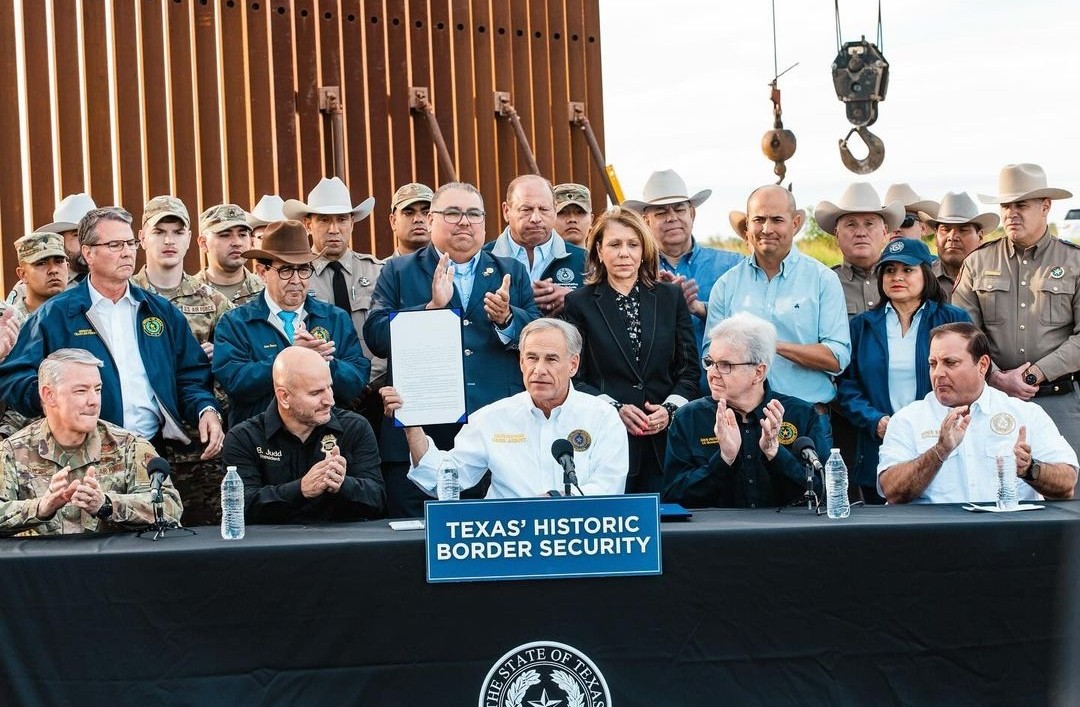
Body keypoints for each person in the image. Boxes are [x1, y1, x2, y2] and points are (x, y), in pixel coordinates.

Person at [363, 181, 540, 516]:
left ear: (485, 223)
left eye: (473, 214)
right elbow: (375, 336)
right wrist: (429, 310)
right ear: (431, 220)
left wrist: (506, 319)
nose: (464, 222)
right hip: (419, 433)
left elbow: (537, 338)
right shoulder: (398, 270)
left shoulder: (510, 271)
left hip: (495, 436)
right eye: (453, 213)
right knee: (413, 547)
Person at [0, 207, 224, 457]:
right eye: (115, 245)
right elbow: (15, 376)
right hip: (78, 454)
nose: (127, 252)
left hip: (151, 450)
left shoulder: (159, 311)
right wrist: (55, 401)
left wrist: (206, 410)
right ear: (88, 254)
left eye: (130, 243)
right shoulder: (56, 315)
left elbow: (190, 376)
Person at [382, 318, 628, 498]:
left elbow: (609, 487)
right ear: (521, 362)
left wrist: (555, 502)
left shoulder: (602, 416)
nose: (539, 369)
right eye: (531, 358)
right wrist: (412, 427)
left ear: (573, 365)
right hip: (509, 542)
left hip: (579, 541)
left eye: (551, 359)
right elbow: (445, 481)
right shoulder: (492, 418)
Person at [561, 206, 698, 493]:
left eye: (632, 244)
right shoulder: (579, 303)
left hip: (666, 445)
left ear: (644, 250)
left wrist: (670, 409)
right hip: (606, 443)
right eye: (614, 244)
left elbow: (689, 370)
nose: (624, 253)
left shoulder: (670, 297)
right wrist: (615, 410)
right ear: (598, 250)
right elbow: (574, 377)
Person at [704, 185, 851, 442]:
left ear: (795, 224)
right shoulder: (726, 286)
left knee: (809, 484)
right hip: (741, 423)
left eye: (777, 220)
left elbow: (837, 357)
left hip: (806, 419)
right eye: (758, 220)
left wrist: (771, 346)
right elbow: (710, 359)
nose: (767, 229)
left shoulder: (822, 280)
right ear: (747, 227)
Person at [952, 163, 1080, 455]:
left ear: (1045, 206)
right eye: (1006, 205)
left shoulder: (1074, 262)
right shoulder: (978, 262)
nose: (1011, 213)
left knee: (1066, 491)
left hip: (1058, 401)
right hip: (992, 400)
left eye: (1021, 204)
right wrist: (996, 377)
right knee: (992, 487)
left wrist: (1034, 375)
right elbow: (963, 334)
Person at [878, 323, 1077, 504]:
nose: (938, 373)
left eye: (950, 362)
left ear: (982, 365)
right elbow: (892, 491)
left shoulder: (1025, 414)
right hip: (934, 537)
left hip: (1008, 536)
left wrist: (1029, 469)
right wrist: (938, 452)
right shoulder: (907, 419)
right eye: (933, 364)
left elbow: (1067, 484)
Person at [837, 239, 972, 503]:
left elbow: (970, 378)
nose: (897, 277)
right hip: (880, 440)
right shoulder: (862, 326)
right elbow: (847, 385)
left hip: (938, 437)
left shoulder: (953, 320)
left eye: (907, 270)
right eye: (889, 270)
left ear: (926, 273)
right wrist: (875, 421)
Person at [0, 349, 182, 536]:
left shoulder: (129, 446)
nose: (94, 401)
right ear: (49, 395)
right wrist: (39, 508)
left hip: (111, 563)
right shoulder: (13, 451)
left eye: (97, 389)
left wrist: (107, 505)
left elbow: (170, 507)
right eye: (81, 391)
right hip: (38, 564)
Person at [132, 195, 233, 526]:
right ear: (142, 238)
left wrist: (219, 357)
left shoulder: (212, 301)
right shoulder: (125, 296)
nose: (169, 240)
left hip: (198, 449)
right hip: (139, 444)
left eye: (177, 231)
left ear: (190, 238)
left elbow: (236, 368)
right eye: (159, 231)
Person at [663, 312, 830, 508]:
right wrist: (724, 459)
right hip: (714, 536)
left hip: (787, 535)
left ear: (758, 372)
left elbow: (824, 494)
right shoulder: (688, 418)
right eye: (710, 362)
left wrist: (775, 453)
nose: (712, 373)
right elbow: (673, 497)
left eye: (725, 365)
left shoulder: (801, 415)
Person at [212, 220, 371, 426]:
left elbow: (356, 382)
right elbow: (235, 383)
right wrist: (291, 358)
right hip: (260, 441)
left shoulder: (335, 318)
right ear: (262, 272)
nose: (297, 280)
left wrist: (324, 362)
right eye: (286, 270)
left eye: (304, 269)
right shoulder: (235, 323)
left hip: (324, 438)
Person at [222, 345, 384, 523]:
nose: (329, 400)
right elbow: (240, 509)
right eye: (315, 393)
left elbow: (377, 501)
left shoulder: (355, 428)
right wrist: (300, 489)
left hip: (341, 545)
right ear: (284, 397)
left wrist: (342, 485)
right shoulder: (244, 438)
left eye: (329, 387)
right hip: (271, 547)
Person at [624, 169, 741, 365]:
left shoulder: (732, 265)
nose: (672, 217)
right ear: (646, 221)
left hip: (721, 387)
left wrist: (700, 309)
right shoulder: (631, 271)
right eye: (661, 212)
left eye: (679, 209)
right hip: (657, 391)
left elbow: (748, 319)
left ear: (692, 214)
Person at [285, 177, 385, 380]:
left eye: (341, 219)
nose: (334, 229)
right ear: (308, 225)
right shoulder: (294, 277)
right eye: (324, 220)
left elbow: (389, 333)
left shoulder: (377, 272)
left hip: (376, 387)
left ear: (352, 223)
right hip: (314, 386)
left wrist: (366, 381)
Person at [486, 174, 587, 317]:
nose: (536, 219)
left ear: (555, 210)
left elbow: (605, 315)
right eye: (526, 209)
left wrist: (575, 299)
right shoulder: (482, 259)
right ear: (506, 211)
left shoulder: (586, 261)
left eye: (544, 209)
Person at [816, 182, 904, 318]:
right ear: (836, 235)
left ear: (885, 232)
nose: (861, 233)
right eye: (851, 224)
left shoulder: (905, 281)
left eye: (869, 224)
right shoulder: (822, 284)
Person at [6, 192, 95, 304]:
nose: (87, 243)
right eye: (77, 235)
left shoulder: (117, 279)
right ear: (61, 240)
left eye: (92, 235)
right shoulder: (28, 289)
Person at [922, 191, 997, 302]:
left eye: (963, 230)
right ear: (936, 236)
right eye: (945, 230)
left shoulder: (996, 277)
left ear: (980, 237)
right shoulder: (921, 279)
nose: (952, 237)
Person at [193, 203, 264, 306]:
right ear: (203, 243)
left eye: (242, 235)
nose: (237, 242)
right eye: (225, 235)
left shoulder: (267, 292)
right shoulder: (187, 293)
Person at [9, 231, 69, 318]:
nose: (53, 270)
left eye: (59, 261)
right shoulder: (8, 323)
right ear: (22, 274)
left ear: (67, 267)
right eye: (41, 263)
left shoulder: (85, 315)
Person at [389, 182, 434, 256]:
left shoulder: (452, 266)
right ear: (393, 221)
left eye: (426, 212)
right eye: (409, 213)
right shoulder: (383, 267)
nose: (418, 219)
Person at [553, 182, 593, 247]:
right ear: (550, 220)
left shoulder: (603, 257)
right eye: (562, 212)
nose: (572, 219)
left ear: (591, 220)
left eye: (580, 212)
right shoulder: (536, 256)